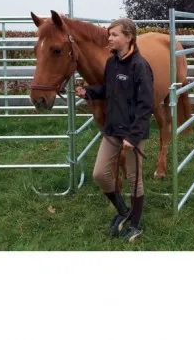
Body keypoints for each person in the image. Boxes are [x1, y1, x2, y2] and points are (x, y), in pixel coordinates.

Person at [75, 18, 154, 242]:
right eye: (109, 34)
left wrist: (133, 136)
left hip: (132, 133)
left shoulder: (140, 66)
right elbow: (109, 89)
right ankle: (122, 210)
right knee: (100, 173)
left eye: (114, 35)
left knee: (133, 179)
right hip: (112, 129)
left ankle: (136, 225)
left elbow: (145, 105)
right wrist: (88, 92)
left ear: (128, 38)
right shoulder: (112, 63)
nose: (109, 38)